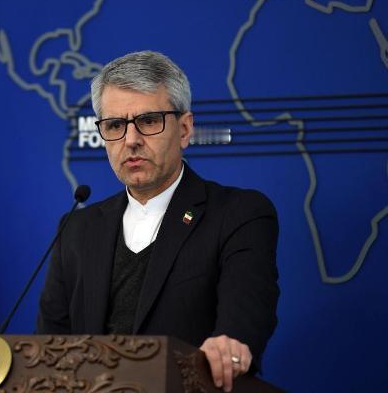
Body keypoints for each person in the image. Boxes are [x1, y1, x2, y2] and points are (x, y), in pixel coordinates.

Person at [37, 50, 279, 392]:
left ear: (184, 129)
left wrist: (231, 345)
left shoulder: (238, 214)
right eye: (115, 125)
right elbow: (49, 351)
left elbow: (245, 317)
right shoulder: (77, 229)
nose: (131, 140)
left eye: (149, 121)